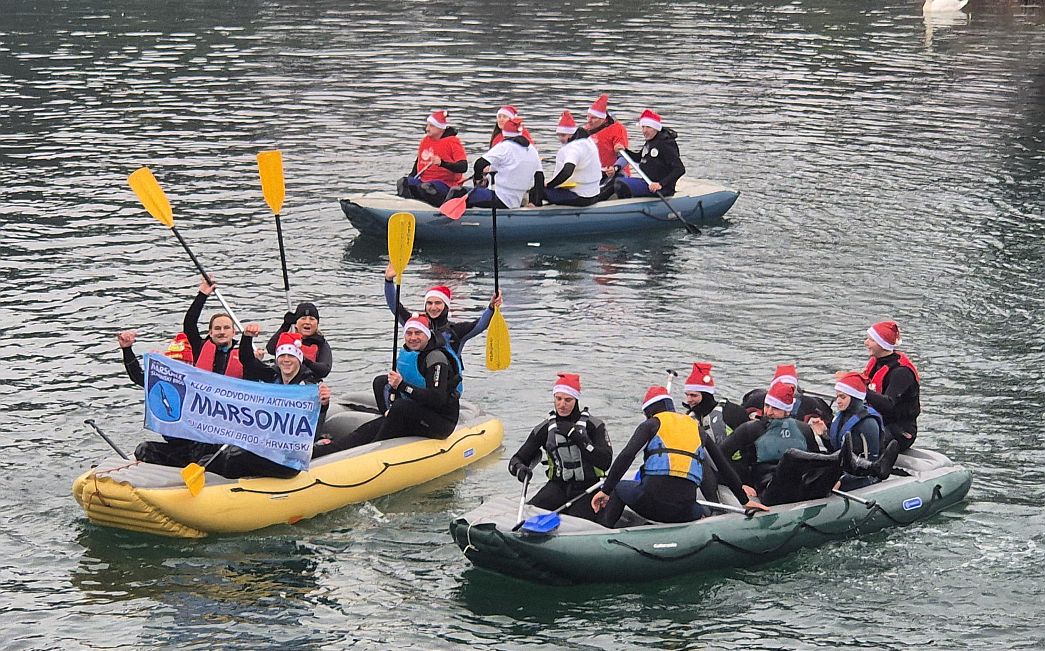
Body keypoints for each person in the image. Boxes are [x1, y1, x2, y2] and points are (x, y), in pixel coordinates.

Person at [591, 386, 767, 528]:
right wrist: (744, 501)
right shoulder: (696, 429)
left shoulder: (651, 424)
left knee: (619, 488)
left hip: (651, 504)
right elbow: (723, 466)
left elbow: (627, 456)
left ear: (649, 411)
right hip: (684, 512)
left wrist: (605, 490)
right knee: (699, 503)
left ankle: (604, 531)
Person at [345, 315, 461, 450]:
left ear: (427, 335)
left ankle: (375, 449)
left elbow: (437, 398)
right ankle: (326, 450)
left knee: (401, 406)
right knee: (380, 382)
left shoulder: (436, 358)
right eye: (409, 333)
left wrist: (402, 386)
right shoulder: (409, 353)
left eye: (418, 333)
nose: (413, 338)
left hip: (440, 422)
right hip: (415, 412)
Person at [507, 373, 611, 523]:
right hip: (558, 486)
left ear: (576, 400)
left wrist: (578, 438)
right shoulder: (545, 429)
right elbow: (516, 460)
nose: (562, 404)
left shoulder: (594, 426)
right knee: (528, 517)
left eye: (568, 400)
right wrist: (520, 469)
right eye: (558, 399)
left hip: (589, 487)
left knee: (576, 521)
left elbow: (605, 462)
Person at [382, 268, 502, 362]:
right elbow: (395, 307)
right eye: (429, 303)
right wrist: (388, 280)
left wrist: (491, 307)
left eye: (438, 303)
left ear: (446, 306)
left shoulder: (457, 331)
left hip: (446, 383)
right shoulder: (415, 325)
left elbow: (480, 325)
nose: (433, 307)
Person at [720, 382, 821, 494]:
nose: (769, 412)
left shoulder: (803, 429)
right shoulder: (751, 429)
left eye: (775, 408)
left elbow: (816, 461)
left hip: (795, 482)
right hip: (762, 485)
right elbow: (721, 455)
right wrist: (739, 484)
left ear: (787, 411)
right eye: (767, 406)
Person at [847, 320, 921, 452]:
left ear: (882, 344)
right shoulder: (876, 363)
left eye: (871, 340)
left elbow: (889, 405)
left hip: (899, 430)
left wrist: (860, 389)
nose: (865, 343)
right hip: (874, 420)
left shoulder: (901, 372)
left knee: (860, 442)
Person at [809, 372, 890, 490]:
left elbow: (871, 465)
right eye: (837, 396)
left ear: (854, 398)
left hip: (862, 476)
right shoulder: (840, 417)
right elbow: (836, 451)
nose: (838, 401)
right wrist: (824, 435)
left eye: (843, 397)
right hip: (842, 470)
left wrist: (842, 481)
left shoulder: (868, 424)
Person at [467, 117, 543, 209]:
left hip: (499, 198)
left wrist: (479, 179)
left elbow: (479, 164)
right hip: (516, 200)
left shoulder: (504, 147)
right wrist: (536, 202)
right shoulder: (533, 150)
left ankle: (459, 215)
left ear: (504, 134)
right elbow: (539, 177)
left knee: (459, 192)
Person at [397, 109, 468, 207]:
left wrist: (442, 163)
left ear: (440, 128)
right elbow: (419, 162)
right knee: (403, 182)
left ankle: (436, 207)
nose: (427, 129)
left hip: (445, 184)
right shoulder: (425, 141)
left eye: (431, 126)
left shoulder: (452, 142)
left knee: (426, 187)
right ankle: (406, 206)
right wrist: (410, 178)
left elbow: (463, 167)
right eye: (427, 125)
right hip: (424, 181)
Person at [609, 109, 685, 199]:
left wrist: (660, 184)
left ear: (656, 128)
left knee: (620, 184)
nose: (644, 131)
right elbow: (638, 158)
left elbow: (680, 169)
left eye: (648, 127)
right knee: (615, 181)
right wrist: (624, 150)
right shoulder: (651, 141)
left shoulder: (665, 144)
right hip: (646, 181)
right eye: (643, 127)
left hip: (660, 188)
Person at [183, 278, 243, 378]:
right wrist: (202, 295)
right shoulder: (199, 347)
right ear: (210, 333)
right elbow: (189, 323)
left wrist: (255, 361)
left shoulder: (244, 355)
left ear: (234, 332)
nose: (222, 332)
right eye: (217, 328)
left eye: (226, 328)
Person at [739, 364, 832, 425]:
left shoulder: (810, 404)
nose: (786, 391)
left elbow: (828, 420)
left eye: (791, 388)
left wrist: (823, 433)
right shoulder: (756, 399)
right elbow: (739, 415)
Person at [543, 110, 602, 207]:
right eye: (559, 135)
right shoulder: (588, 141)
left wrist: (550, 185)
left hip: (581, 197)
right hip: (595, 194)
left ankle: (533, 211)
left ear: (572, 134)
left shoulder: (573, 148)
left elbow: (567, 171)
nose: (561, 139)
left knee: (537, 191)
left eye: (563, 135)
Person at [264, 301, 332, 380]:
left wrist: (304, 360)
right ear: (296, 323)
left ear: (317, 324)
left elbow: (324, 370)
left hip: (307, 381)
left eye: (312, 319)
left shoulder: (321, 343)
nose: (307, 322)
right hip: (283, 379)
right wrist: (285, 326)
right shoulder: (288, 338)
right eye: (303, 318)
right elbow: (271, 349)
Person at [117, 330, 194, 387]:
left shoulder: (197, 383)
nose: (174, 368)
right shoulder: (163, 381)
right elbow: (137, 376)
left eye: (180, 363)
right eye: (172, 362)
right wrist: (127, 349)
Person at [584, 93, 630, 178]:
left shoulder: (617, 129)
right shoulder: (585, 130)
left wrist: (615, 167)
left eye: (593, 118)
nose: (589, 121)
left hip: (614, 173)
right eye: (588, 117)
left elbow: (624, 156)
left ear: (604, 119)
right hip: (594, 173)